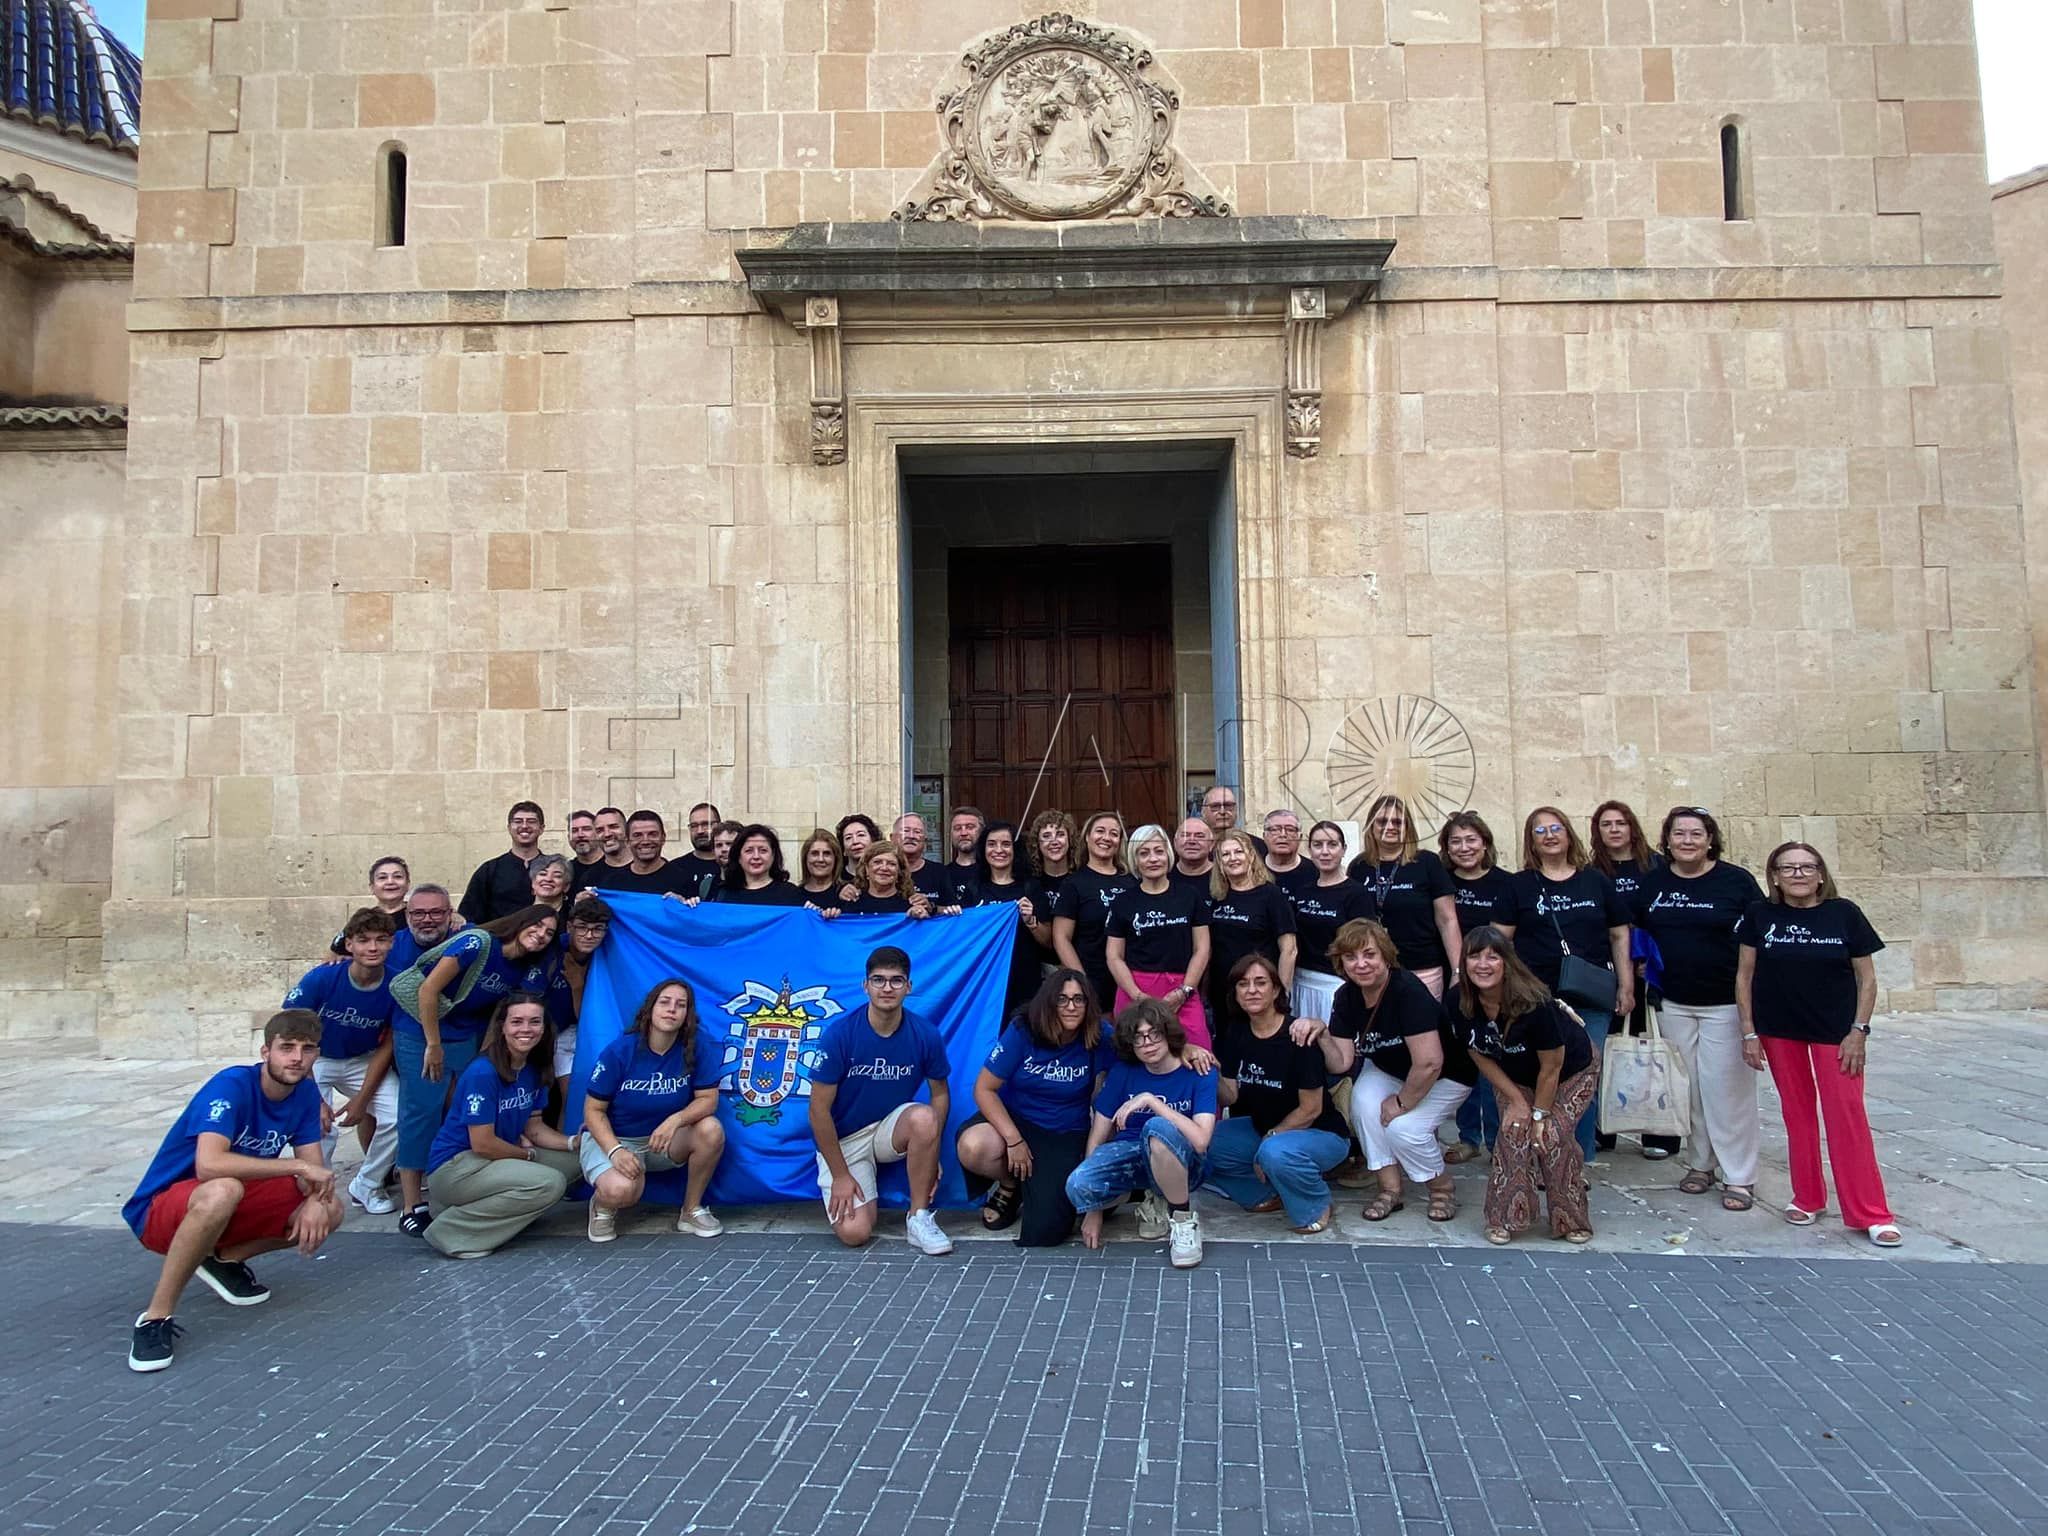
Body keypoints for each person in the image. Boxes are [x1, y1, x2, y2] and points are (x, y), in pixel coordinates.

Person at [122, 1010, 343, 1372]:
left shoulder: (304, 1093)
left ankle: (221, 1258)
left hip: (233, 1199)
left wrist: (317, 1199)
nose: (296, 1058)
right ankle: (154, 1319)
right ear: (265, 1051)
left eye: (307, 1049)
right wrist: (299, 1167)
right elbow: (209, 1165)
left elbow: (315, 1172)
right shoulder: (231, 1085)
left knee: (332, 1210)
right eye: (286, 1048)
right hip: (163, 1209)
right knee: (222, 1188)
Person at [1737, 843, 1900, 1247]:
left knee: (1847, 1117)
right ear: (1773, 876)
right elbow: (1744, 977)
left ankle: (1871, 1213)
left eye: (1807, 867)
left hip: (1837, 1033)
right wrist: (1749, 1032)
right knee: (1797, 1115)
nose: (1798, 874)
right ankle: (1808, 1196)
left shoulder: (1844, 914)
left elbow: (1868, 979)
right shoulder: (1760, 916)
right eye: (1787, 868)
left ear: (1821, 875)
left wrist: (1859, 1030)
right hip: (1779, 1029)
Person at [389, 904, 561, 1235]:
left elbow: (498, 1014)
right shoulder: (478, 943)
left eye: (548, 933)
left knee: (459, 1108)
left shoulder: (521, 966)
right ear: (520, 921)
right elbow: (428, 990)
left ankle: (464, 1184)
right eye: (536, 926)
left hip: (465, 1034)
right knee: (421, 1109)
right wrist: (433, 1044)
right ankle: (412, 1204)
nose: (540, 935)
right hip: (421, 1031)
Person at [1633, 807, 1765, 1209]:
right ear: (1667, 840)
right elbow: (1639, 935)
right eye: (1679, 834)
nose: (1687, 841)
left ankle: (1739, 1175)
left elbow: (1758, 938)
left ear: (1710, 840)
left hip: (1725, 1004)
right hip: (1673, 1002)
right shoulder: (1653, 882)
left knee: (1727, 1090)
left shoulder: (1736, 882)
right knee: (1687, 1089)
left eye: (1696, 834)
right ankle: (1701, 1164)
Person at [1301, 918, 1474, 1224]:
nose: (1361, 964)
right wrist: (1323, 1034)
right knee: (1364, 1105)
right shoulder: (1346, 996)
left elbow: (1430, 1062)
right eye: (1351, 957)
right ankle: (1389, 1188)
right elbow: (1341, 1063)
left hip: (1445, 1075)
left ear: (1385, 955)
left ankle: (1441, 1187)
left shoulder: (1406, 990)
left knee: (1404, 1129)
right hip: (1391, 1069)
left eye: (1369, 954)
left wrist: (1401, 1103)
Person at [1449, 928, 1598, 1245]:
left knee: (1550, 1137)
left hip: (1570, 1070)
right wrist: (1517, 1101)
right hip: (1513, 1075)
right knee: (1514, 1131)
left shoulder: (1534, 1002)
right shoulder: (1459, 1001)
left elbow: (1552, 1066)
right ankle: (1503, 1217)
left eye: (1493, 956)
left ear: (1507, 962)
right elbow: (1477, 1051)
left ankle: (1570, 1219)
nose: (1483, 964)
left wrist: (1541, 1116)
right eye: (1474, 956)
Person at [808, 946, 954, 1254]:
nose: (887, 988)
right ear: (865, 985)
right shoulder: (840, 1035)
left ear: (909, 987)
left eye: (896, 980)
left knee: (925, 1118)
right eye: (878, 980)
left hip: (889, 1128)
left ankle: (918, 1218)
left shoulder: (925, 1034)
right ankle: (858, 1183)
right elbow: (818, 1110)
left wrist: (931, 1150)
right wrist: (840, 1175)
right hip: (846, 1140)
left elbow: (939, 1093)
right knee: (855, 1232)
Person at [1510, 805, 1634, 1161]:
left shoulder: (1595, 881)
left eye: (1556, 828)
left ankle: (1577, 1155)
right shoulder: (1519, 886)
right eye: (1540, 831)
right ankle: (1542, 1150)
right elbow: (1501, 940)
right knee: (1541, 1076)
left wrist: (1625, 985)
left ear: (1568, 834)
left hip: (1590, 995)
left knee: (1583, 1076)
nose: (1549, 836)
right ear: (1531, 841)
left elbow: (1619, 935)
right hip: (1537, 997)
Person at [421, 993, 580, 1258]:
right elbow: (482, 1143)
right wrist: (527, 1155)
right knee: (549, 1183)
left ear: (544, 1026)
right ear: (502, 1027)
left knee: (576, 1162)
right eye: (517, 1021)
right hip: (457, 1166)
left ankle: (506, 1213)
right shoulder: (483, 1072)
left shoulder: (533, 1068)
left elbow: (534, 1128)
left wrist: (574, 1142)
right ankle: (451, 1232)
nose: (526, 1029)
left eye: (534, 1021)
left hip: (497, 1156)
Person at [1065, 999, 1219, 1268]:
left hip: (1184, 1160)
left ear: (1167, 1033)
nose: (1147, 1043)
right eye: (1138, 1038)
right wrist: (1094, 1207)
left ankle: (1182, 1220)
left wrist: (1152, 1102)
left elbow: (1201, 1141)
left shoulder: (1198, 1070)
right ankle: (1150, 1196)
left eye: (1154, 1034)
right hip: (1133, 1154)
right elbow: (1098, 1136)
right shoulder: (1124, 1072)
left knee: (1157, 1128)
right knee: (1078, 1183)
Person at [954, 968, 1102, 1245]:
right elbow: (984, 1089)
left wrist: (1186, 1050)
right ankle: (1011, 1183)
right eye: (1062, 999)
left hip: (1065, 1131)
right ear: (1049, 1002)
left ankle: (1036, 1186)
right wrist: (1013, 1140)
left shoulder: (1097, 1034)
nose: (1071, 1007)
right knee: (974, 1145)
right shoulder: (1024, 1029)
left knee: (1048, 1231)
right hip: (1017, 1119)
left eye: (1078, 999)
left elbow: (1140, 1047)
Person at [1208, 955, 1349, 1233]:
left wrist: (1268, 1141)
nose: (1252, 990)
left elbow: (1311, 1110)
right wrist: (1209, 1071)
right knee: (1202, 1141)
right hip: (1263, 1130)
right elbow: (1231, 1097)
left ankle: (1315, 1203)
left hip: (1321, 1133)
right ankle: (1264, 1194)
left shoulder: (1298, 1034)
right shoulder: (1235, 1032)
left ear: (1276, 990)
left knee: (1275, 1152)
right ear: (1234, 993)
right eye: (1243, 984)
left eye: (1261, 983)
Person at [580, 978, 727, 1240]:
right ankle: (602, 1207)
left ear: (687, 1015)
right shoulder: (619, 1051)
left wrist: (675, 1120)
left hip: (664, 1140)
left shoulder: (696, 1047)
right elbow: (593, 1110)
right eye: (665, 1002)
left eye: (680, 1005)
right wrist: (615, 1151)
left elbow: (708, 1100)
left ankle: (690, 1210)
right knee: (621, 1190)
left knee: (711, 1129)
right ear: (650, 1010)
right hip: (618, 1140)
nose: (672, 1009)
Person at [285, 907, 400, 1214]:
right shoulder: (322, 978)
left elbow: (388, 1044)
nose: (373, 947)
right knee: (319, 1125)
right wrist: (313, 1097)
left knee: (399, 1115)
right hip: (315, 1060)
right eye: (363, 940)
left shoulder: (396, 984)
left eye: (381, 940)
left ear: (391, 944)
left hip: (361, 1059)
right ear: (349, 944)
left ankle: (368, 1183)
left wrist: (362, 1100)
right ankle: (317, 1193)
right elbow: (290, 1029)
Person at [1590, 799, 1671, 1158]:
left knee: (1651, 1048)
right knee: (1606, 1049)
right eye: (1606, 824)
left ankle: (1659, 1132)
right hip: (1607, 970)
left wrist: (1647, 956)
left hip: (1649, 970)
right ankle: (1604, 1127)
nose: (1614, 830)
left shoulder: (1657, 868)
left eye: (1620, 823)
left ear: (1632, 827)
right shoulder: (1592, 871)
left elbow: (1665, 916)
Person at [1440, 810, 1518, 1161]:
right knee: (1462, 1057)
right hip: (1455, 982)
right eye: (1455, 841)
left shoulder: (1506, 883)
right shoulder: (1441, 881)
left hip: (1494, 983)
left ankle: (1501, 1138)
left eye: (1471, 839)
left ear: (1485, 843)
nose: (1464, 847)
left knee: (1494, 1059)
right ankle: (1468, 1136)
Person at [1105, 824, 1212, 1044]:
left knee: (1197, 1054)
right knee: (1135, 1056)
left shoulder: (1189, 895)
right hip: (1134, 989)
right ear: (1135, 860)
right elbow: (1114, 956)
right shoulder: (1123, 902)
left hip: (1182, 989)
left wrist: (1184, 991)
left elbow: (1202, 948)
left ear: (1168, 855)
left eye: (1159, 851)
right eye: (1144, 853)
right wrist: (1137, 995)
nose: (1153, 859)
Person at [1347, 793, 1461, 997]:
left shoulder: (1427, 863)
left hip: (1423, 969)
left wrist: (1457, 971)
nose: (1390, 827)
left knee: (1422, 1027)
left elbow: (1447, 920)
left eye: (1397, 822)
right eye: (1382, 821)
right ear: (1371, 826)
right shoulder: (1358, 866)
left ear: (1407, 826)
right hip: (1372, 971)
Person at [1205, 829, 1298, 1035]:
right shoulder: (1217, 897)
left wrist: (1280, 992)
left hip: (1258, 992)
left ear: (1250, 855)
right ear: (1219, 862)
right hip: (1223, 992)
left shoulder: (1270, 895)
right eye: (1225, 855)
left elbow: (1289, 949)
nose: (1232, 858)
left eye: (1238, 852)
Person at [1286, 818, 1375, 1022]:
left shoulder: (1356, 893)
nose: (1325, 851)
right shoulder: (1302, 891)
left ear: (1343, 849)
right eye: (1318, 845)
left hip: (1337, 984)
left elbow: (1364, 942)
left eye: (1332, 845)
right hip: (1300, 981)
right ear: (1309, 850)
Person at [960, 819, 1051, 1009]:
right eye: (992, 844)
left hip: (1023, 981)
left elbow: (1048, 941)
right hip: (984, 980)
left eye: (1006, 844)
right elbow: (963, 936)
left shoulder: (1031, 887)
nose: (999, 850)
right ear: (983, 850)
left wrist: (1031, 921)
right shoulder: (974, 888)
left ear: (1015, 850)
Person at [1052, 810, 1134, 1010]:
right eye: (1100, 831)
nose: (1107, 838)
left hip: (1131, 981)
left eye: (1114, 833)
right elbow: (1061, 938)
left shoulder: (1132, 882)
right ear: (1087, 837)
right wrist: (1082, 982)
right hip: (1092, 978)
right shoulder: (1074, 884)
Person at [549, 895, 612, 1112]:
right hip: (543, 1033)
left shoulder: (606, 955)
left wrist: (577, 985)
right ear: (569, 926)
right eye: (582, 927)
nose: (589, 935)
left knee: (575, 1097)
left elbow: (583, 1018)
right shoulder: (552, 949)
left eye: (598, 929)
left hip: (580, 1031)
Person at [459, 800, 545, 924]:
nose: (525, 826)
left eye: (531, 821)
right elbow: (469, 915)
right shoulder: (488, 870)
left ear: (541, 829)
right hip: (499, 940)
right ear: (509, 828)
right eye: (518, 821)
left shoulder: (553, 869)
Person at [716, 824, 806, 905]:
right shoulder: (725, 894)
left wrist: (815, 913)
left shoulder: (790, 894)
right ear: (739, 857)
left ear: (773, 855)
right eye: (749, 851)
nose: (756, 856)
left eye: (763, 850)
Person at [839, 838, 931, 917]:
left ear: (899, 871)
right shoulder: (852, 902)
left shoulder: (911, 905)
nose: (884, 868)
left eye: (891, 864)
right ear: (866, 868)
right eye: (877, 862)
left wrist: (921, 917)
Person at [387, 881, 455, 974]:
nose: (427, 920)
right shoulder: (390, 946)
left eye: (436, 912)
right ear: (407, 916)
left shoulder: (468, 938)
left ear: (450, 914)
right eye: (418, 913)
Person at [893, 813, 960, 908]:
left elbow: (953, 910)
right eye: (906, 830)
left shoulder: (939, 872)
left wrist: (931, 907)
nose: (911, 836)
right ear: (892, 837)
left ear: (925, 839)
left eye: (917, 831)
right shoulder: (884, 870)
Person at [572, 806, 632, 894]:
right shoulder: (589, 877)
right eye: (600, 830)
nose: (607, 834)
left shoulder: (649, 867)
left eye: (613, 827)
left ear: (627, 830)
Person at [1027, 809, 1077, 907]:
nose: (1054, 841)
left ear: (1070, 840)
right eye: (1046, 836)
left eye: (1060, 834)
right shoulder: (1029, 884)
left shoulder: (1081, 881)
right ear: (1037, 843)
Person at [1199, 784, 1266, 856]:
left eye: (1228, 806)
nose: (1222, 811)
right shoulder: (1193, 846)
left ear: (1236, 810)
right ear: (1203, 812)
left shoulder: (1257, 846)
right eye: (1215, 806)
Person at [1262, 809, 1316, 896]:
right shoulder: (1251, 871)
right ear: (1264, 836)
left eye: (1290, 830)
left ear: (1300, 837)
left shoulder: (1316, 872)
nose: (1283, 835)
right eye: (1275, 829)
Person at [673, 802, 723, 894]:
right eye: (694, 826)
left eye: (706, 824)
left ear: (719, 826)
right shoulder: (675, 868)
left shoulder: (734, 867)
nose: (700, 831)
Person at [797, 828, 845, 909]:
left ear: (836, 859)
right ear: (806, 858)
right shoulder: (793, 895)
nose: (820, 859)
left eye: (827, 853)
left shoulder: (846, 893)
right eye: (814, 853)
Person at [1170, 816, 1215, 895]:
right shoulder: (1164, 876)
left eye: (1199, 836)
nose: (1192, 841)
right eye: (1185, 835)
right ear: (1175, 843)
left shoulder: (1224, 876)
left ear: (1211, 844)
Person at [835, 813, 880, 880]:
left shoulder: (883, 874)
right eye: (848, 838)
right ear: (843, 849)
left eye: (861, 835)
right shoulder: (835, 878)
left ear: (873, 840)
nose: (855, 841)